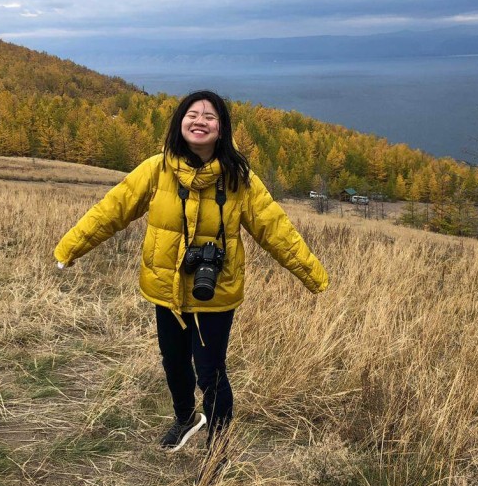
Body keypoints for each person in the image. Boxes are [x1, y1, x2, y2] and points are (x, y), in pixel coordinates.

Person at [53, 90, 328, 466]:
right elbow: (111, 210)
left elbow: (275, 229)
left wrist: (313, 276)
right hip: (165, 289)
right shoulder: (156, 169)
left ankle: (218, 451)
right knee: (173, 361)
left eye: (210, 117)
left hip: (215, 294)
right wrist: (70, 248)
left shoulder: (238, 179)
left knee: (211, 372)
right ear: (180, 123)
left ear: (221, 129)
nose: (200, 121)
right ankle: (185, 418)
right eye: (192, 114)